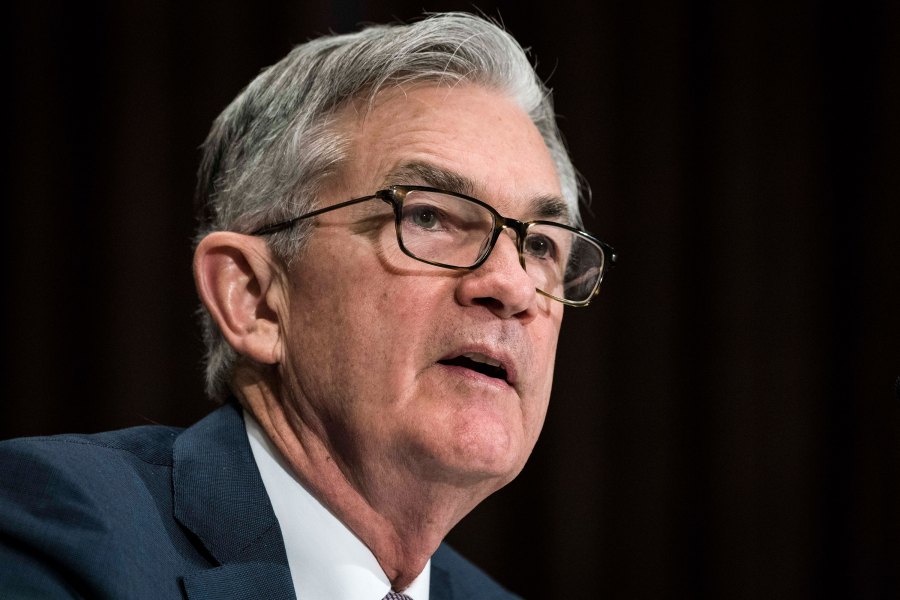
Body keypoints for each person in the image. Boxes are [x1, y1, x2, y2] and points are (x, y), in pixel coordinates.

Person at [0, 12, 615, 599]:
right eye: (428, 216)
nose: (509, 284)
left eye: (539, 245)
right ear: (255, 299)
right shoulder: (66, 534)